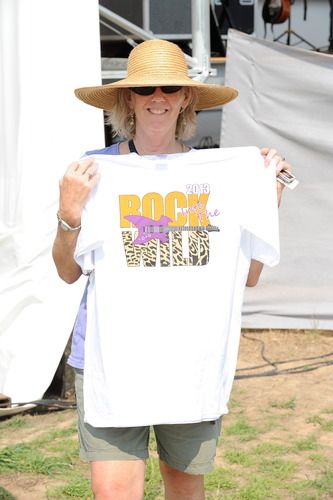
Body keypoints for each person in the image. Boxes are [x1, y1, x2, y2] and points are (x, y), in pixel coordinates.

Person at [53, 39, 291, 500]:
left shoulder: (225, 176)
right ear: (128, 99)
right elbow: (66, 272)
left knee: (184, 489)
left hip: (190, 357)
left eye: (169, 88)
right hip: (110, 361)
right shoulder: (95, 172)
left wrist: (265, 204)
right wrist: (70, 214)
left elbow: (249, 275)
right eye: (145, 90)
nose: (157, 98)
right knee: (113, 493)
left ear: (185, 98)